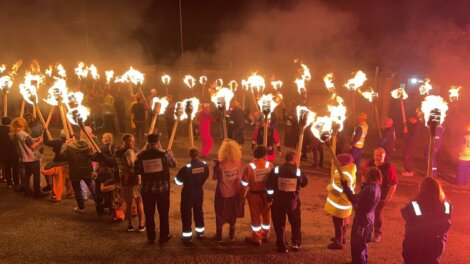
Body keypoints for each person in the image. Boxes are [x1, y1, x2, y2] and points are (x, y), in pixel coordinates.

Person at [134, 134, 176, 244]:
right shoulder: (164, 153)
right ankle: (163, 236)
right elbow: (173, 164)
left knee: (149, 214)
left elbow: (136, 170)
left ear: (147, 143)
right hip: (162, 189)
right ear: (158, 142)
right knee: (163, 213)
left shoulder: (140, 155)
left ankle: (151, 237)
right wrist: (170, 154)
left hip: (147, 190)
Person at [401, 177, 452, 263]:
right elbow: (447, 219)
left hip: (415, 244)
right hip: (436, 245)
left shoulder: (415, 205)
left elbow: (405, 214)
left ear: (422, 189)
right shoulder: (446, 205)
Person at [266, 150, 308, 252]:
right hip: (293, 202)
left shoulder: (276, 170)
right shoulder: (298, 171)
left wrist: (270, 198)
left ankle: (281, 244)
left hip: (278, 201)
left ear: (286, 158)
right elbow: (304, 184)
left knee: (279, 223)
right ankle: (296, 243)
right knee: (295, 222)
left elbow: (269, 185)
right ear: (294, 159)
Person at [341, 167, 382, 264]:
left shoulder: (369, 189)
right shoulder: (376, 188)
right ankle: (360, 261)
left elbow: (355, 199)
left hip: (362, 221)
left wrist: (346, 187)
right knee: (362, 243)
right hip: (368, 218)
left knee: (358, 243)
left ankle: (359, 261)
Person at [174, 148, 209, 243]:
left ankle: (187, 236)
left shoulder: (186, 168)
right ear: (198, 154)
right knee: (199, 212)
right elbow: (206, 175)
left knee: (186, 213)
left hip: (187, 193)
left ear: (189, 155)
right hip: (199, 192)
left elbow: (177, 181)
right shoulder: (204, 165)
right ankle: (200, 233)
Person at [362, 147, 397, 242]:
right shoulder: (369, 163)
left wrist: (389, 196)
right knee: (368, 213)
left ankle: (377, 233)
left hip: (381, 195)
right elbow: (364, 176)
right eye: (376, 155)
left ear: (384, 156)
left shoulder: (389, 167)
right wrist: (363, 188)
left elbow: (394, 184)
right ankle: (367, 231)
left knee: (377, 213)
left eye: (380, 155)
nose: (377, 157)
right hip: (369, 193)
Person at [241, 146, 274, 246]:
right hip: (266, 195)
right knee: (266, 216)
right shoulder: (270, 165)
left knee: (255, 217)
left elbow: (244, 183)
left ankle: (256, 237)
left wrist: (242, 196)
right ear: (265, 154)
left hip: (253, 196)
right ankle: (265, 235)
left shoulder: (249, 167)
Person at [213, 139, 244, 242]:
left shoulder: (220, 164)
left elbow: (215, 177)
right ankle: (232, 236)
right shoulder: (238, 161)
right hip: (235, 191)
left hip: (223, 192)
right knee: (232, 214)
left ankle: (219, 236)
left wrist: (216, 166)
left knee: (220, 213)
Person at [325, 154, 356, 250]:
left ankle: (338, 242)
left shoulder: (343, 174)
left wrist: (329, 187)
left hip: (340, 203)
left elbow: (338, 189)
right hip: (346, 202)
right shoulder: (349, 170)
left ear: (342, 163)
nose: (335, 162)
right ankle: (342, 238)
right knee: (345, 221)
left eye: (337, 161)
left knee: (338, 222)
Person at [114, 133, 145, 232]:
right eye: (131, 141)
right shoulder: (129, 152)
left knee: (128, 203)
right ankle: (141, 225)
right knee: (139, 202)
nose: (134, 142)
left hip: (123, 179)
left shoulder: (117, 152)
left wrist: (137, 153)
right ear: (126, 142)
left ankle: (130, 225)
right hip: (133, 179)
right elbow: (132, 166)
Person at [60, 130, 97, 212]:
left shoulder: (69, 149)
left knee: (77, 189)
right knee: (92, 187)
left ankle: (81, 208)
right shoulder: (86, 148)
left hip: (75, 172)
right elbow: (93, 157)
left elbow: (62, 156)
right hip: (86, 171)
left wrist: (65, 145)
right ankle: (99, 203)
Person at [10, 117, 46, 198]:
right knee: (36, 175)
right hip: (32, 158)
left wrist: (36, 139)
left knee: (27, 175)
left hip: (25, 159)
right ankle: (37, 192)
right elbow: (32, 146)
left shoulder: (16, 134)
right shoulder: (23, 134)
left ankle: (27, 190)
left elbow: (27, 141)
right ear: (22, 124)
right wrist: (40, 141)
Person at [42, 129, 69, 201]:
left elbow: (46, 142)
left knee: (46, 169)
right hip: (68, 162)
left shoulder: (58, 141)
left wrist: (45, 133)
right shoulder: (72, 141)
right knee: (66, 178)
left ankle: (50, 185)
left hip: (58, 162)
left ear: (61, 135)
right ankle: (70, 192)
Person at [93, 133, 116, 215]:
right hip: (111, 174)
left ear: (104, 139)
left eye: (103, 137)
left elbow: (94, 157)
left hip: (103, 174)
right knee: (110, 192)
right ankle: (111, 208)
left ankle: (100, 208)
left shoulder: (102, 149)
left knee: (99, 191)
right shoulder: (114, 147)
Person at [0, 117, 19, 190]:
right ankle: (16, 183)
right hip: (13, 152)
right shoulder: (12, 130)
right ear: (10, 122)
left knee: (7, 167)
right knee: (15, 168)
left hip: (3, 152)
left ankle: (9, 183)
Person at [349, 113, 368, 178]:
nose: (358, 119)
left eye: (359, 118)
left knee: (351, 160)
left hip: (356, 146)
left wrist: (352, 144)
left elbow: (357, 137)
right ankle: (357, 174)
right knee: (357, 161)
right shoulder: (365, 125)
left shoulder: (360, 127)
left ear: (362, 118)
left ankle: (350, 173)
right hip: (360, 146)